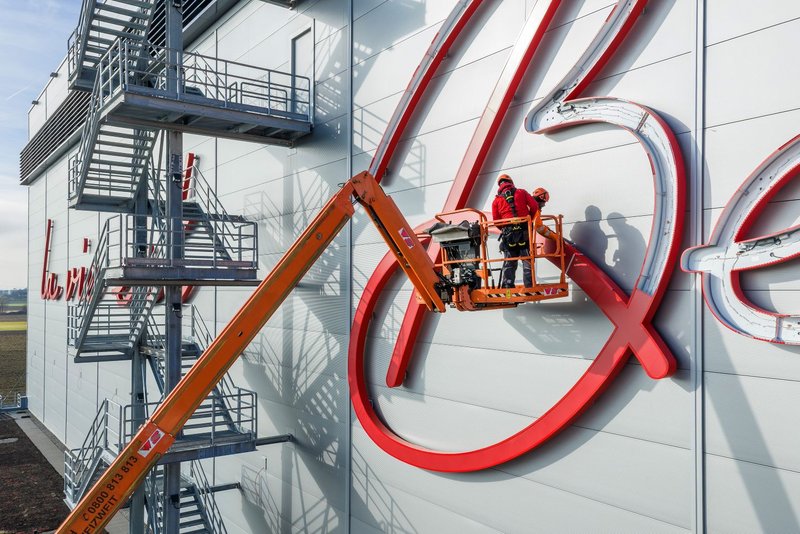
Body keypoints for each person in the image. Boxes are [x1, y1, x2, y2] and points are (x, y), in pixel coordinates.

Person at [491, 174, 538, 288]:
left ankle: (508, 286)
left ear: (499, 185)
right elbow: (534, 206)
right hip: (524, 231)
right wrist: (528, 220)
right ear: (511, 182)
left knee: (510, 261)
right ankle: (529, 287)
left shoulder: (496, 201)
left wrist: (505, 229)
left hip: (508, 234)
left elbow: (496, 221)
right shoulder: (522, 192)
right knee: (527, 260)